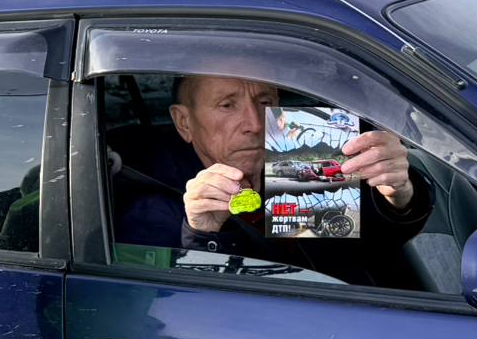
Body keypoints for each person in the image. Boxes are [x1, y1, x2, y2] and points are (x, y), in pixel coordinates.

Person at [115, 74, 432, 286]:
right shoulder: (152, 209)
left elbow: (365, 249)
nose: (255, 123)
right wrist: (203, 235)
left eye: (265, 102)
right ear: (184, 122)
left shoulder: (299, 156)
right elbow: (185, 316)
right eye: (227, 105)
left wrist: (398, 196)